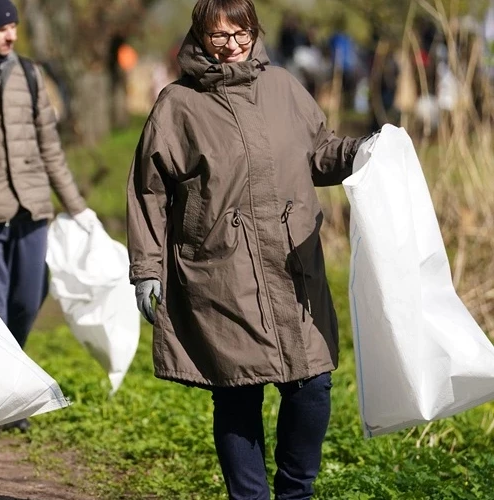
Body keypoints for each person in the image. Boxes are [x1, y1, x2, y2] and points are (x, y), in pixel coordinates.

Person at [125, 1, 375, 499]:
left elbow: (318, 151)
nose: (232, 44)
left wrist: (361, 152)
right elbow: (149, 190)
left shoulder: (283, 87)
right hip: (220, 269)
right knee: (237, 393)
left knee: (312, 386)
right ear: (199, 36)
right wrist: (145, 269)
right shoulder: (177, 105)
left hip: (291, 264)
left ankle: (294, 491)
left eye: (240, 32)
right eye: (218, 35)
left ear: (254, 31)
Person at [0, 0, 97, 452]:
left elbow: (49, 147)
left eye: (14, 27)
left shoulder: (31, 75)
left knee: (25, 301)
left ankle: (9, 388)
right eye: (2, 29)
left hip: (33, 208)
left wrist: (76, 206)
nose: (11, 35)